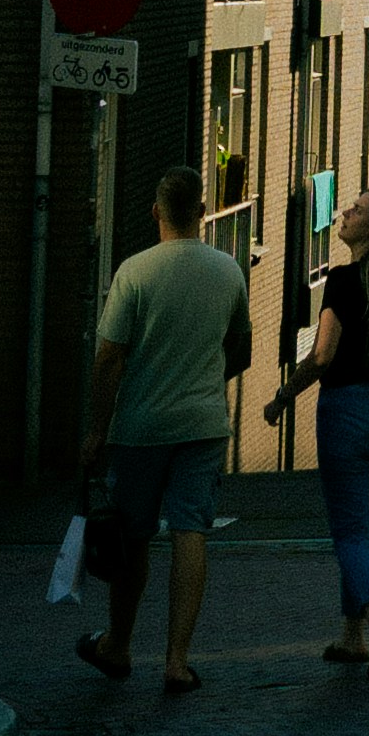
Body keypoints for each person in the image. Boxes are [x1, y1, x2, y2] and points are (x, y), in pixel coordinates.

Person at [78, 164, 253, 695]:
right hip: (203, 425)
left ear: (156, 211)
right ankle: (177, 661)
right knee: (190, 531)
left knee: (133, 536)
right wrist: (204, 378)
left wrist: (96, 430)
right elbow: (240, 350)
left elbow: (109, 358)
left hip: (141, 427)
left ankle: (118, 645)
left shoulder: (134, 272)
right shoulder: (228, 271)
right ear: (201, 211)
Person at [266, 187, 369, 682]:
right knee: (361, 527)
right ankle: (352, 638)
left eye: (357, 209)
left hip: (347, 417)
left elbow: (323, 354)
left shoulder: (342, 280)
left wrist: (283, 396)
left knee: (350, 533)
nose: (345, 212)